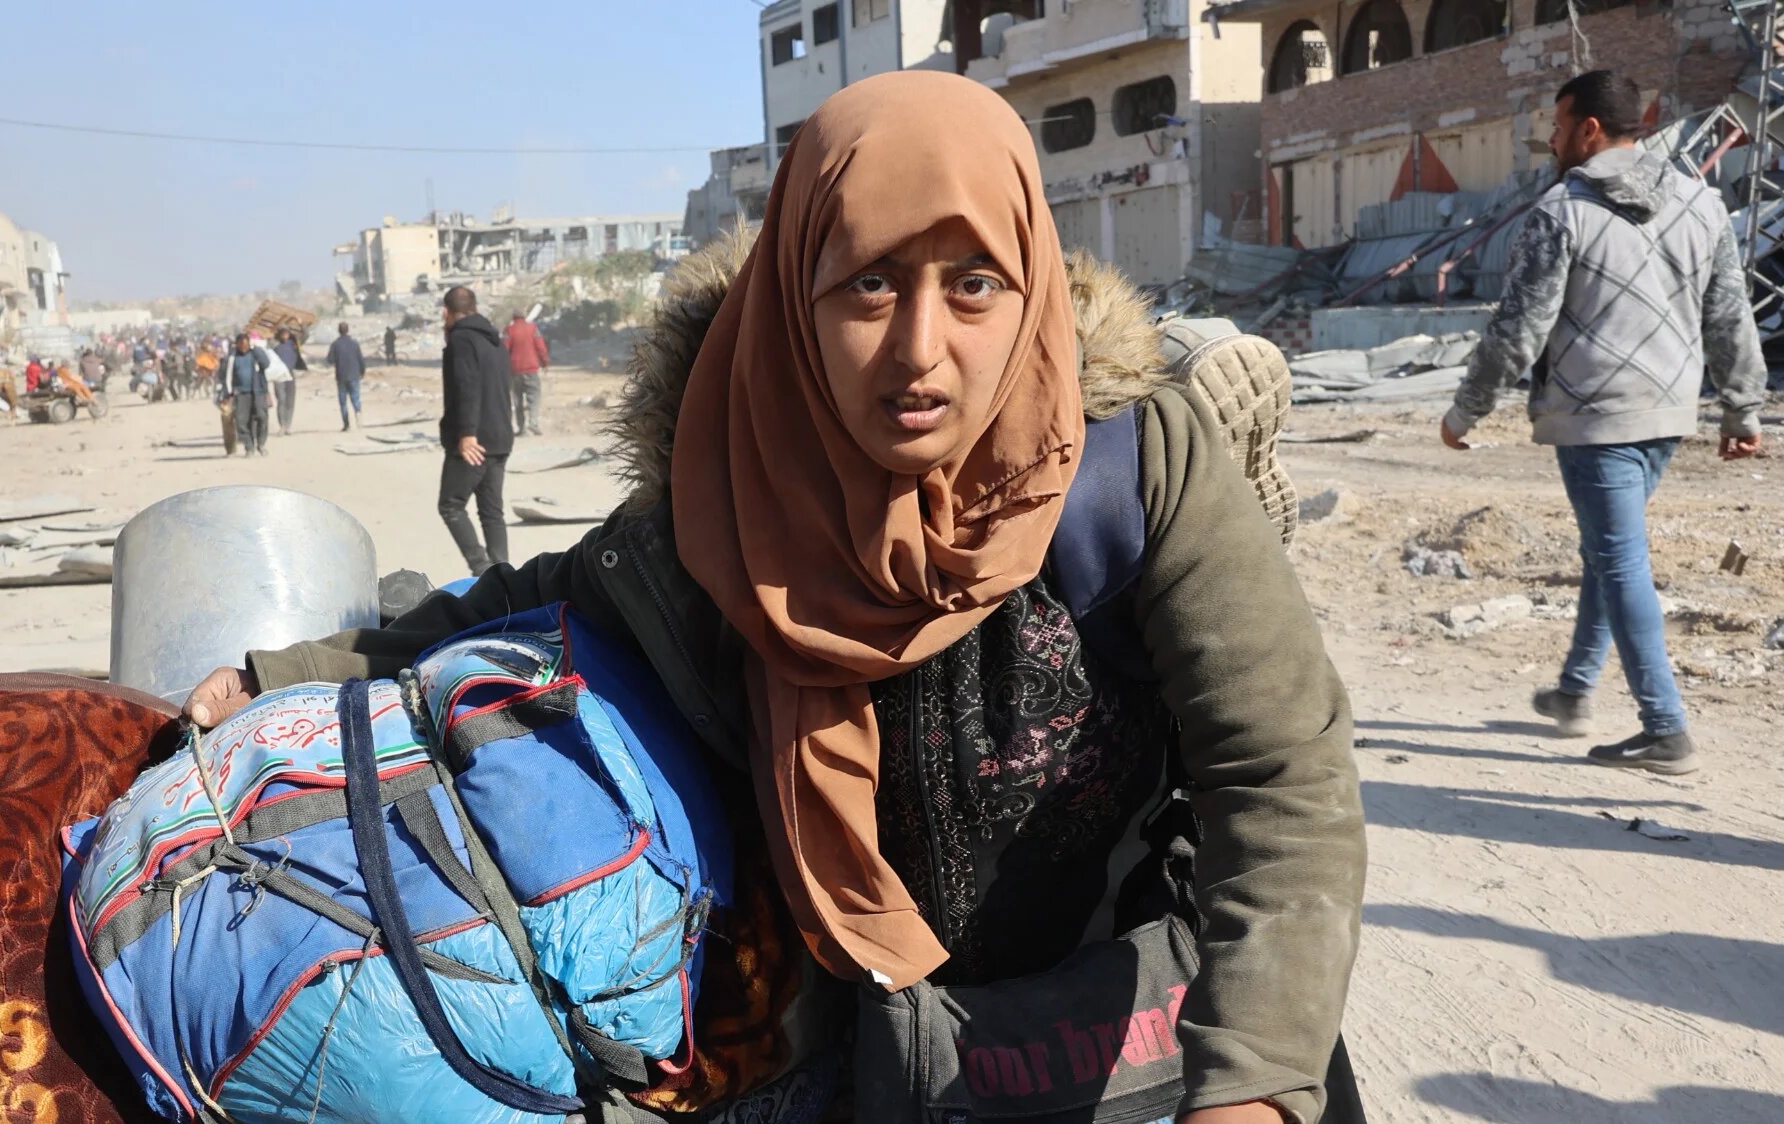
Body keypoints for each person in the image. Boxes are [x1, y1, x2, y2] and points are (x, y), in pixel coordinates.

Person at [186, 72, 1364, 1124]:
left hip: (1128, 1044)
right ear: (794, 299)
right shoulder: (724, 507)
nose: (918, 348)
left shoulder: (1134, 475)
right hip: (853, 1053)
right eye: (865, 285)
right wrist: (289, 674)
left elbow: (1280, 771)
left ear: (1030, 288)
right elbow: (530, 598)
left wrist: (1253, 1079)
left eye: (971, 285)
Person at [1441, 70, 1766, 776]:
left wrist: (1466, 409)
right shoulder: (1700, 204)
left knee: (1620, 561)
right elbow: (1729, 316)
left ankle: (1665, 728)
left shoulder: (1563, 211)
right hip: (1667, 414)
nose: (1552, 141)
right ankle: (1574, 691)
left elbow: (1518, 329)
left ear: (1589, 128)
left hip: (1594, 418)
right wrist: (1742, 408)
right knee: (1608, 551)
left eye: (1558, 126)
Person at [436, 286, 516, 574]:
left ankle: (482, 569)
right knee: (492, 511)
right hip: (501, 436)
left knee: (451, 505)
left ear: (447, 312)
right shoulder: (494, 339)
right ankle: (503, 575)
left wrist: (466, 433)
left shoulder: (462, 339)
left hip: (475, 440)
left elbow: (466, 386)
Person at [218, 333, 272, 457]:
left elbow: (266, 364)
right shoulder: (231, 358)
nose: (243, 347)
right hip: (240, 394)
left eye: (246, 345)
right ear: (236, 345)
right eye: (241, 345)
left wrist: (256, 349)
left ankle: (261, 444)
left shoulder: (255, 354)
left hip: (258, 392)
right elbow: (225, 376)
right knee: (242, 422)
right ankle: (249, 447)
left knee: (261, 417)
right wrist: (227, 395)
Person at [502, 310, 550, 435]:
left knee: (518, 400)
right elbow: (541, 347)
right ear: (524, 317)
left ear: (513, 317)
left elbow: (504, 349)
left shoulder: (509, 330)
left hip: (514, 370)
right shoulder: (533, 328)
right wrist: (545, 362)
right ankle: (533, 423)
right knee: (534, 397)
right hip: (531, 369)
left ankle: (521, 428)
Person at [326, 321, 367, 430]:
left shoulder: (335, 344)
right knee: (355, 397)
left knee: (343, 402)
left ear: (339, 331)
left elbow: (330, 360)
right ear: (348, 330)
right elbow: (361, 359)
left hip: (341, 376)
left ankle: (346, 424)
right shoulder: (355, 343)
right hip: (354, 375)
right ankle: (358, 416)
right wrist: (362, 371)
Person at [271, 328, 305, 434]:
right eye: (283, 334)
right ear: (279, 335)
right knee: (281, 399)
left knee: (290, 401)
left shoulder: (293, 346)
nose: (285, 336)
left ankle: (288, 426)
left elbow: (306, 334)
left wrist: (300, 324)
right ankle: (282, 425)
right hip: (279, 375)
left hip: (290, 374)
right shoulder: (275, 347)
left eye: (287, 334)